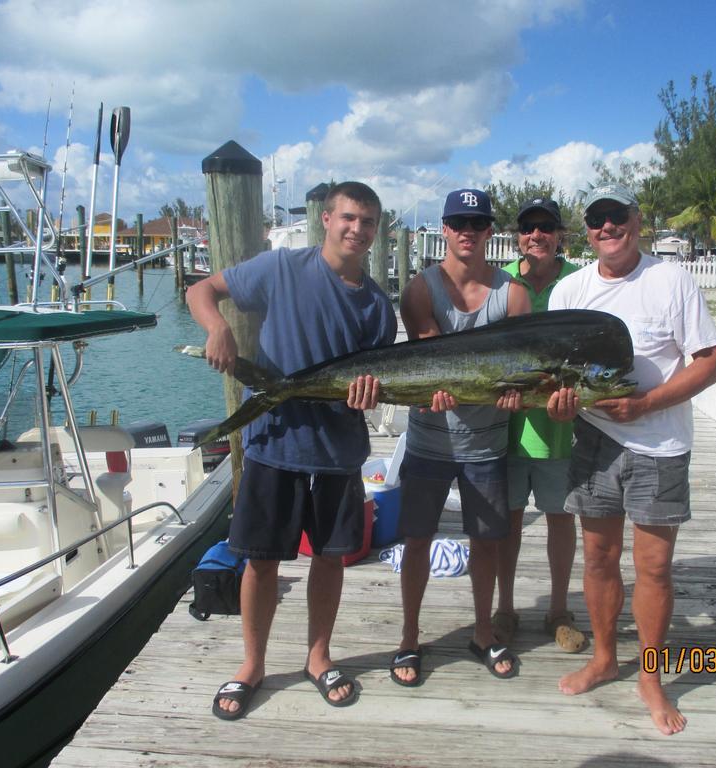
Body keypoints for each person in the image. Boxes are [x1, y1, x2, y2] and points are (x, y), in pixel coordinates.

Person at [186, 181, 397, 718]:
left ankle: (318, 656)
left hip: (338, 448)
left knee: (331, 560)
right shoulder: (280, 268)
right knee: (260, 562)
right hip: (274, 443)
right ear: (325, 219)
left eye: (368, 222)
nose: (357, 229)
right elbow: (201, 291)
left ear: (377, 232)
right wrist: (217, 329)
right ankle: (252, 665)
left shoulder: (377, 306)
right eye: (349, 217)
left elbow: (374, 380)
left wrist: (370, 395)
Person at [546, 183, 716, 735]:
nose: (607, 227)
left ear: (637, 219)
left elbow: (712, 363)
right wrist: (556, 408)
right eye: (597, 219)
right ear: (586, 230)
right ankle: (605, 657)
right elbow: (554, 381)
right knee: (598, 558)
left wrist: (647, 403)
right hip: (594, 440)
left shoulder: (671, 280)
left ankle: (650, 675)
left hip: (661, 443)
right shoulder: (568, 291)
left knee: (653, 567)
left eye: (616, 216)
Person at [389, 188, 530, 687]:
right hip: (429, 442)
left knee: (487, 543)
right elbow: (435, 362)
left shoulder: (512, 294)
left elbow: (518, 367)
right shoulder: (419, 290)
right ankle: (409, 636)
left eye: (477, 223)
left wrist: (516, 394)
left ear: (490, 231)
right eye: (458, 222)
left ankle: (484, 631)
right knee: (417, 541)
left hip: (486, 446)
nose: (467, 231)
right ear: (444, 229)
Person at [492, 197, 585, 653]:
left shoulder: (580, 281)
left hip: (563, 432)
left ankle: (559, 611)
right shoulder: (502, 282)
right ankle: (504, 609)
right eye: (528, 227)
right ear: (517, 237)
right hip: (506, 428)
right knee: (508, 522)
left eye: (546, 226)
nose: (537, 235)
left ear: (559, 234)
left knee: (560, 520)